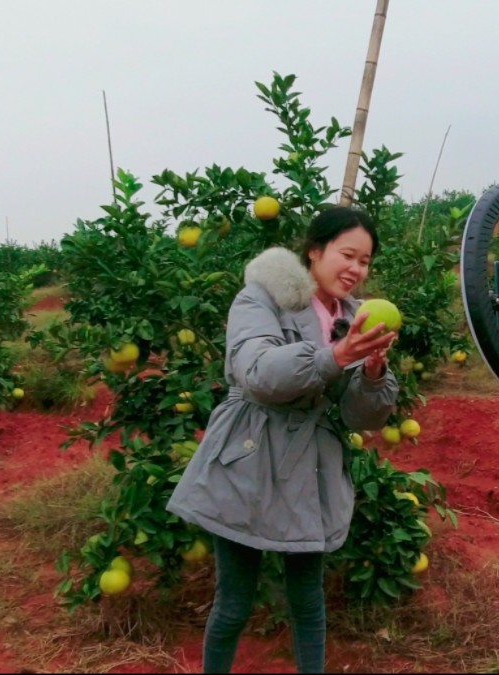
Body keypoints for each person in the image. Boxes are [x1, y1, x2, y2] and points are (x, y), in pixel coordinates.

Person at [167, 206, 399, 674]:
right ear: (315, 251)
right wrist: (336, 354)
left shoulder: (354, 317)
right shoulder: (261, 298)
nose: (356, 269)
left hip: (310, 464)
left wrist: (372, 374)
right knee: (234, 601)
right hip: (249, 459)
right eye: (347, 254)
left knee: (307, 600)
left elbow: (359, 415)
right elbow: (259, 374)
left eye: (366, 261)